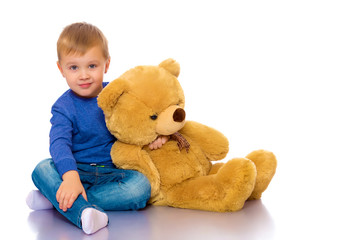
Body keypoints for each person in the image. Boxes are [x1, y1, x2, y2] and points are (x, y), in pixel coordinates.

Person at [26, 22, 168, 235]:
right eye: (74, 67)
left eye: (92, 66)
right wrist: (70, 177)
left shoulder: (117, 95)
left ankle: (57, 198)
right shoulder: (64, 107)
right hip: (76, 170)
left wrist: (155, 135)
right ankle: (80, 208)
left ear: (106, 64)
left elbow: (137, 122)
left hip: (113, 173)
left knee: (140, 187)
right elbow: (59, 143)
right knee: (42, 168)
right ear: (61, 69)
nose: (83, 75)